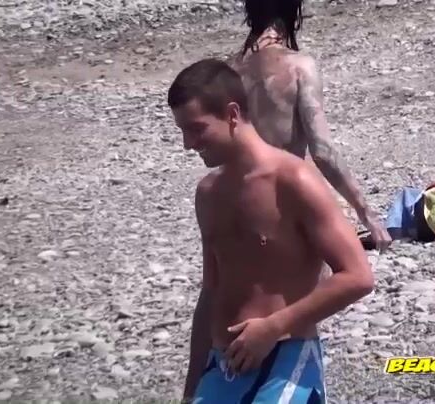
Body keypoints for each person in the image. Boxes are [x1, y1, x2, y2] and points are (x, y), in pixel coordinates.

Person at [168, 59, 375, 403]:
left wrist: (274, 326)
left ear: (232, 114)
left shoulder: (294, 181)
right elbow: (210, 292)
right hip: (221, 366)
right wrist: (191, 390)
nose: (188, 144)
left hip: (286, 358)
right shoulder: (208, 194)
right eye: (182, 131)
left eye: (196, 129)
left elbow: (358, 276)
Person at [225, 0, 392, 251]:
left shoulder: (228, 72)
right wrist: (367, 214)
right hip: (286, 201)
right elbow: (322, 152)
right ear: (293, 11)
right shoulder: (298, 67)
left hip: (240, 206)